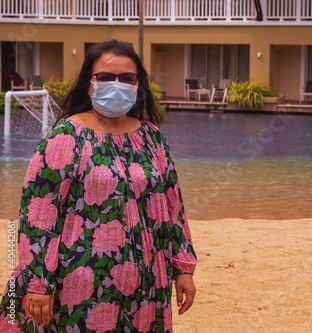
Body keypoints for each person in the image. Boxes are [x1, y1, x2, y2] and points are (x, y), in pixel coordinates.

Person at [0, 39, 197, 332]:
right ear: (89, 85)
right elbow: (38, 215)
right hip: (77, 282)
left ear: (138, 85)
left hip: (145, 284)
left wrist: (183, 268)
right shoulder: (65, 137)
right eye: (105, 77)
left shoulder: (152, 138)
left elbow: (171, 206)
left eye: (126, 78)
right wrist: (38, 281)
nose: (116, 85)